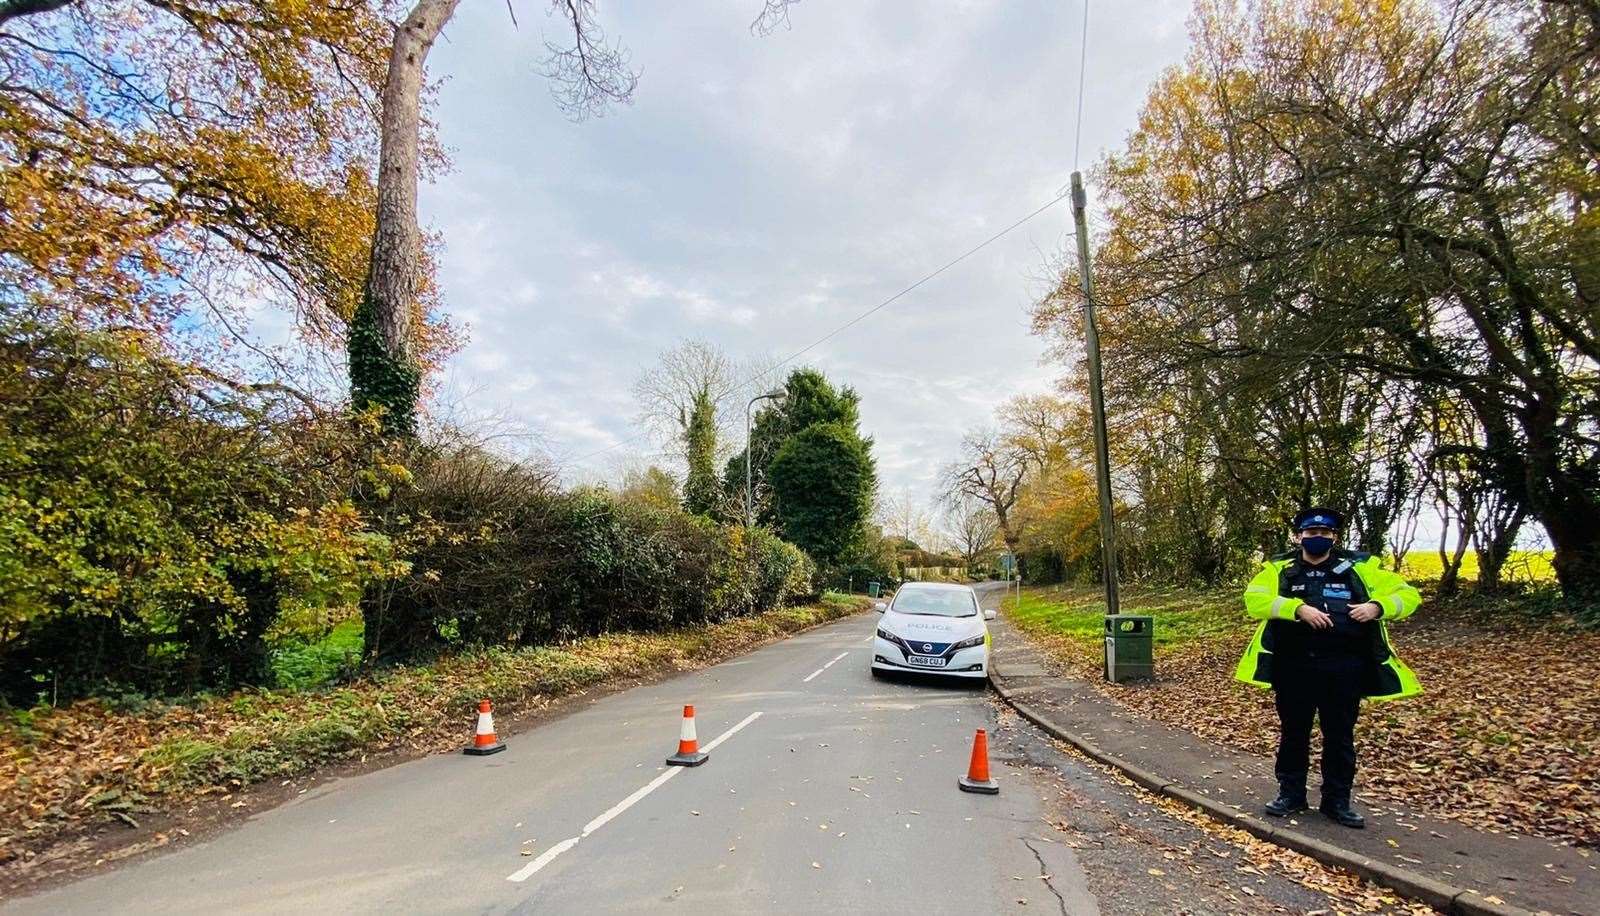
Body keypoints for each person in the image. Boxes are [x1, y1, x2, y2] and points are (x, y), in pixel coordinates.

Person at [1234, 507, 1422, 828]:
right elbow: (1255, 600)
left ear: (1334, 537)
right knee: (1294, 733)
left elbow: (1408, 595)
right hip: (1293, 667)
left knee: (1340, 736)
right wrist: (1298, 609)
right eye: (1311, 533)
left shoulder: (1361, 569)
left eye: (1324, 534)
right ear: (1299, 536)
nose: (1317, 538)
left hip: (1344, 667)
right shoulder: (1280, 569)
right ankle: (1290, 794)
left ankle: (1337, 801)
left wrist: (1378, 606)